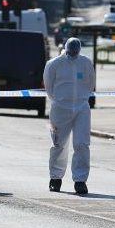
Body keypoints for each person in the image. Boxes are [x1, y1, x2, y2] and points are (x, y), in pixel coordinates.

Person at [44, 37, 95, 194]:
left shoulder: (85, 62)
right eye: (70, 52)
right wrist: (60, 101)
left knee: (82, 144)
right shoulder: (54, 64)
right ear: (65, 49)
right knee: (58, 144)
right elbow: (48, 86)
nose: (72, 55)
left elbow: (90, 83)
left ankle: (80, 181)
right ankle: (55, 178)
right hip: (60, 108)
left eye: (75, 52)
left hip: (81, 108)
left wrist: (81, 99)